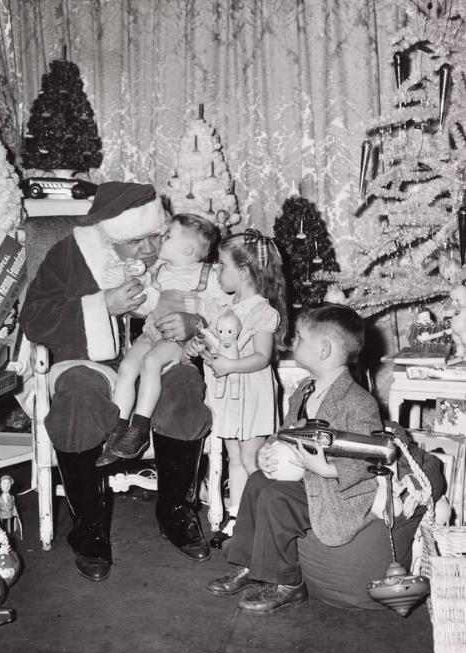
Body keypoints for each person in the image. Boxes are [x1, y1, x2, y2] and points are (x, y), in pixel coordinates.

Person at [20, 182, 214, 582]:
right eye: (138, 242)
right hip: (89, 360)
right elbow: (34, 317)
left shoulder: (169, 260)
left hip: (152, 355)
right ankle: (89, 527)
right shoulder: (70, 255)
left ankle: (175, 510)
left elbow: (217, 301)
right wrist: (100, 305)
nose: (150, 249)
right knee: (76, 395)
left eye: (155, 238)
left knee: (182, 387)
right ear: (113, 236)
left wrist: (194, 322)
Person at [206, 303, 391, 613]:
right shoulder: (304, 391)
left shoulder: (358, 402)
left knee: (277, 497)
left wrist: (328, 468)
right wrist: (271, 449)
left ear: (323, 349)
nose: (293, 341)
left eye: (300, 337)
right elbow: (289, 433)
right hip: (306, 478)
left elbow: (366, 457)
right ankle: (250, 563)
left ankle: (288, 583)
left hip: (338, 491)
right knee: (257, 482)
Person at [96, 213, 228, 466]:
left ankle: (139, 428)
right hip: (153, 332)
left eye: (167, 236)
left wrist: (200, 307)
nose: (160, 241)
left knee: (151, 363)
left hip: (180, 341)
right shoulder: (160, 273)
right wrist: (132, 283)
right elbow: (149, 305)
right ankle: (118, 428)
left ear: (188, 248)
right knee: (127, 366)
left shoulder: (209, 275)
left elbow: (224, 311)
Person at [186, 229, 288, 548]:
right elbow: (219, 344)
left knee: (250, 456)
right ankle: (236, 515)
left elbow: (261, 357)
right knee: (234, 455)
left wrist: (230, 365)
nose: (217, 271)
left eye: (222, 265)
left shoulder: (262, 311)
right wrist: (198, 347)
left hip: (251, 392)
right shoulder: (225, 307)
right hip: (227, 393)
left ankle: (262, 518)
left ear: (243, 272)